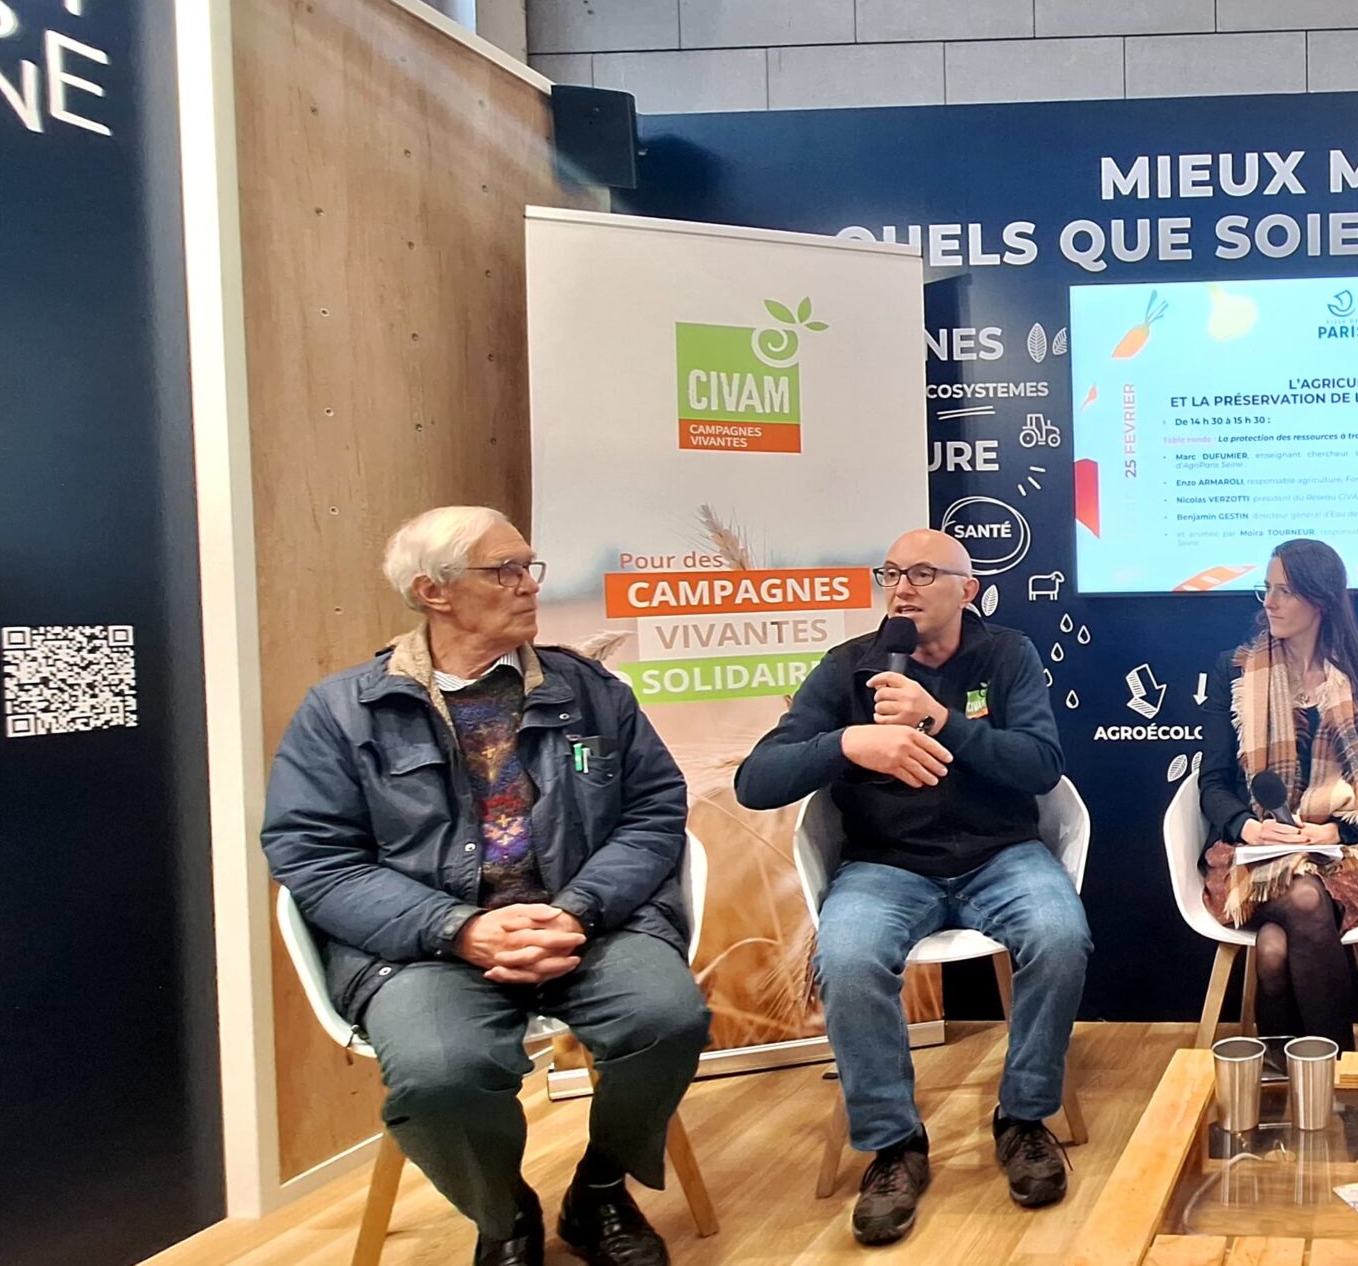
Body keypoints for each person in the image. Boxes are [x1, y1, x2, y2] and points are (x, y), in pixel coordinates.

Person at [262, 506, 709, 1266]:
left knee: (668, 1018)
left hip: (589, 927)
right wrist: (457, 928)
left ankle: (599, 1191)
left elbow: (655, 811)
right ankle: (504, 1217)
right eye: (504, 570)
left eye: (529, 566)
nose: (529, 585)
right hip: (423, 949)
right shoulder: (342, 711)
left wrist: (578, 910)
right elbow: (313, 856)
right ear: (433, 592)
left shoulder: (590, 690)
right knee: (440, 1075)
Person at [733, 528, 1085, 1248]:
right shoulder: (850, 667)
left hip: (1001, 854)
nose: (902, 588)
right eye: (891, 573)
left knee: (1060, 937)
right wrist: (848, 743)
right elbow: (755, 781)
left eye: (924, 573)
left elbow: (1039, 765)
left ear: (968, 590)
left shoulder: (1006, 655)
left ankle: (1023, 1119)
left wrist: (941, 721)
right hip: (886, 865)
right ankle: (894, 1146)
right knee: (848, 959)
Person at [1197, 537, 1358, 1062]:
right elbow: (1213, 783)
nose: (1270, 602)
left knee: (1274, 947)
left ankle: (1287, 1072)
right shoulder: (1235, 672)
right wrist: (1249, 827)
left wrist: (1337, 831)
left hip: (1340, 856)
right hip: (1249, 855)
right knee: (1304, 901)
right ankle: (1335, 1074)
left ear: (1321, 600)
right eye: (1266, 589)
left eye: (1285, 591)